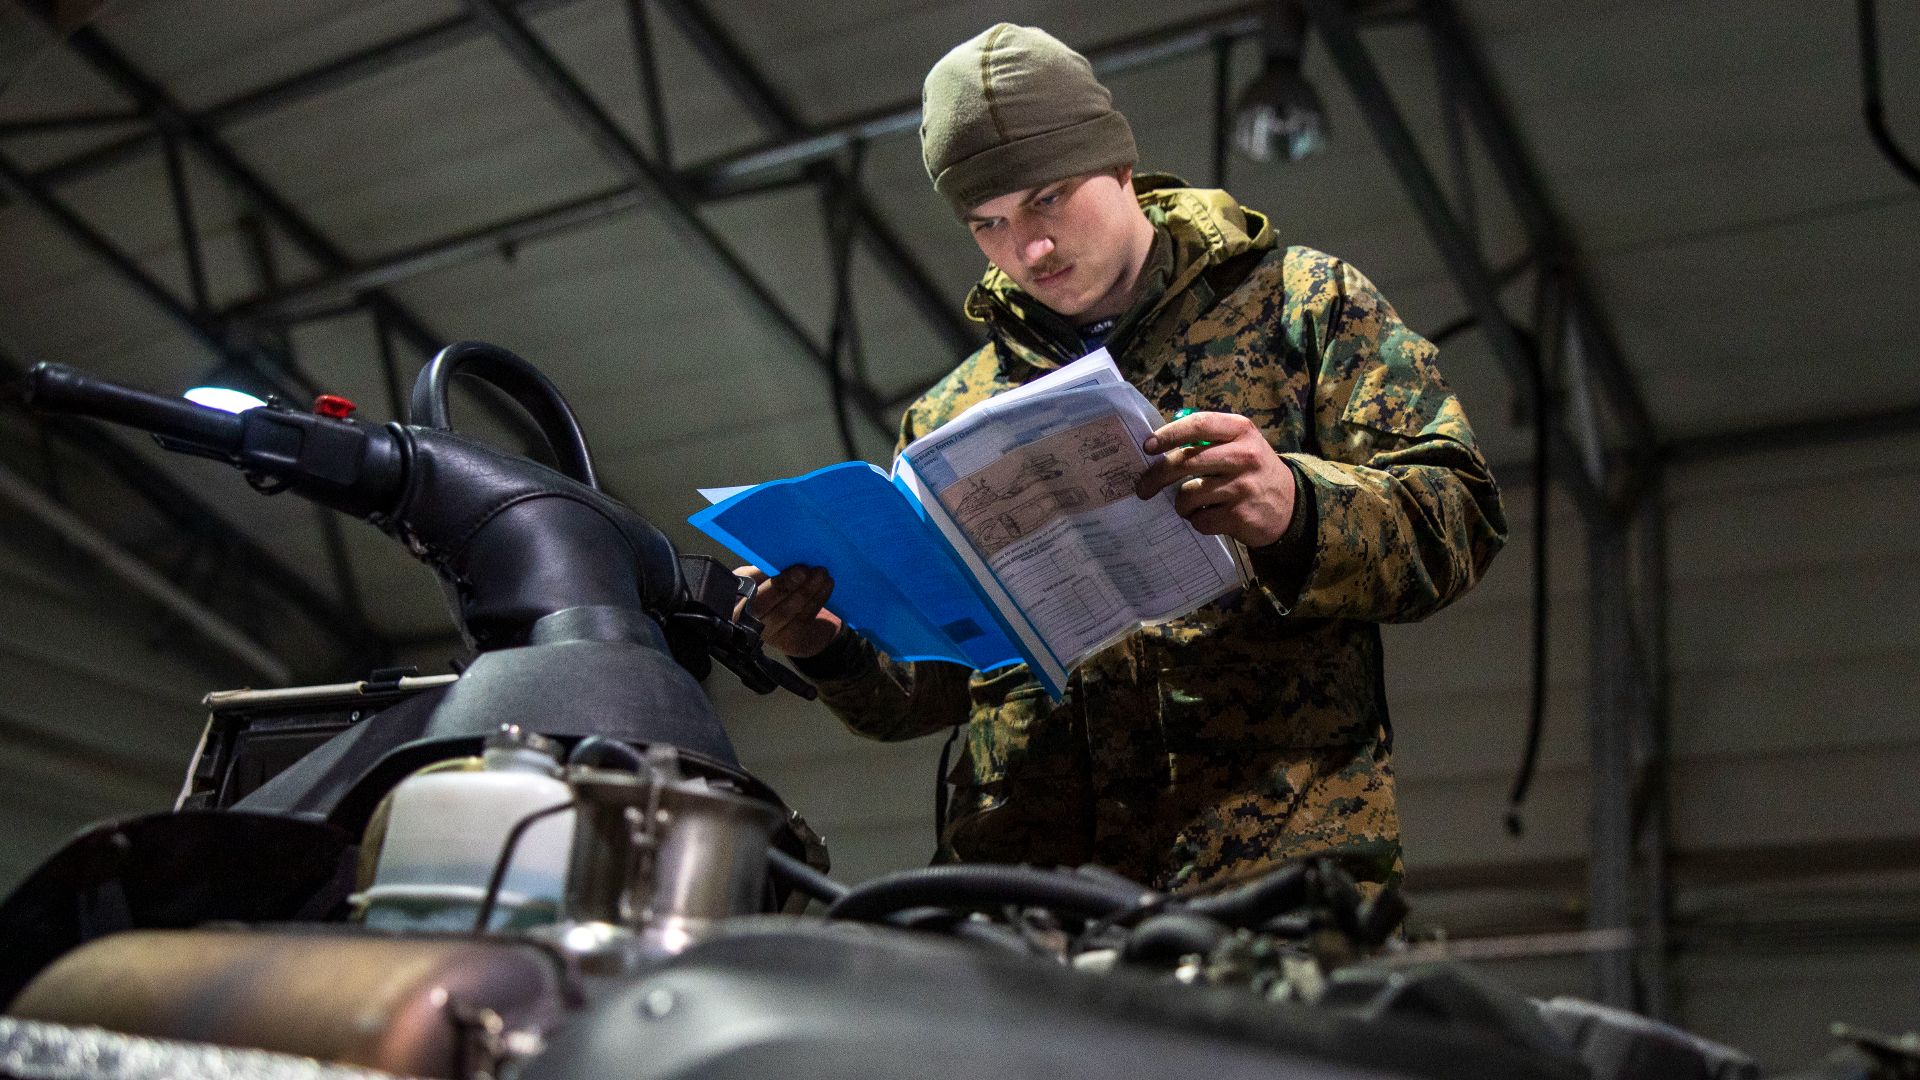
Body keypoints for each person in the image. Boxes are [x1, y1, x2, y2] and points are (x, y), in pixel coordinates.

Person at [739, 23, 1506, 894]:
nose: (1027, 248)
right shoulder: (952, 416)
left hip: (1263, 882)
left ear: (1120, 169)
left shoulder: (1303, 307)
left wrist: (1297, 506)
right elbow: (937, 690)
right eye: (987, 222)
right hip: (1026, 899)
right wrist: (828, 646)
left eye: (1049, 199)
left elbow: (1461, 516)